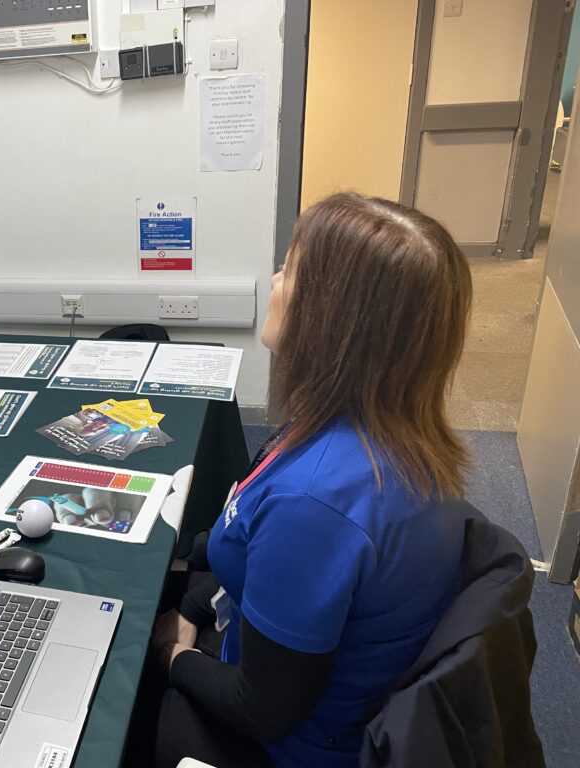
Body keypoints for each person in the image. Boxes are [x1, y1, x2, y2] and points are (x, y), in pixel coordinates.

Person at [146, 193, 474, 768]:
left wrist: (174, 657)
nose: (274, 278)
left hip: (293, 746)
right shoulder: (386, 429)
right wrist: (196, 610)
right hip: (299, 672)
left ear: (334, 319)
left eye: (291, 269)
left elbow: (263, 709)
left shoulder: (316, 502)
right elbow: (255, 565)